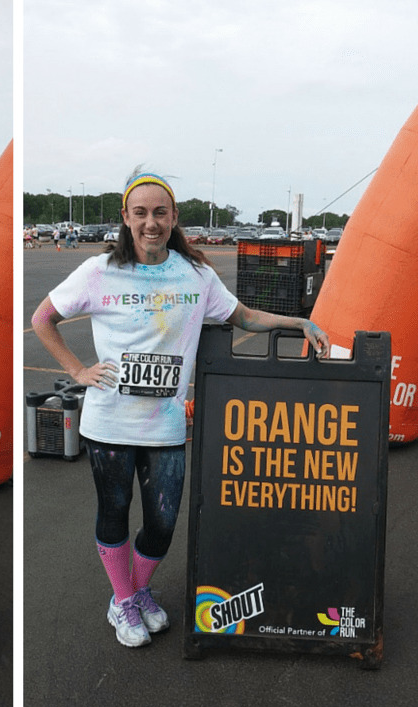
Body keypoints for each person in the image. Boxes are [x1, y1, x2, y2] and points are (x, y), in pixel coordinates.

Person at [31, 169, 329, 648]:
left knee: (163, 522)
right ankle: (124, 600)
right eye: (141, 213)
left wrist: (298, 321)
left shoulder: (195, 274)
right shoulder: (99, 271)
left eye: (160, 213)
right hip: (108, 421)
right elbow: (43, 318)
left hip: (166, 425)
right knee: (114, 511)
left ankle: (136, 590)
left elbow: (243, 316)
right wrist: (78, 370)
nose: (151, 223)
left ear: (174, 218)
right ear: (126, 218)